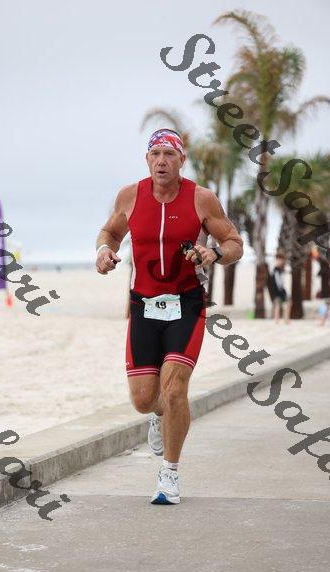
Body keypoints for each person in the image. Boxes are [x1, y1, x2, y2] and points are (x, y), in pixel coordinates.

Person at [95, 129, 243, 505]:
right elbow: (110, 232)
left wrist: (215, 254)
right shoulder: (130, 196)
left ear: (182, 160)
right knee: (144, 399)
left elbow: (234, 243)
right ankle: (159, 413)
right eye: (155, 154)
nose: (162, 161)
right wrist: (103, 251)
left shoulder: (201, 198)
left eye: (169, 154)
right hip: (143, 306)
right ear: (147, 160)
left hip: (186, 305)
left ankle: (169, 474)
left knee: (175, 388)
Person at [270, 254, 291, 324]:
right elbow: (277, 280)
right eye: (278, 260)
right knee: (277, 305)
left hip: (281, 289)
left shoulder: (281, 269)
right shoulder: (275, 269)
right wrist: (280, 288)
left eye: (281, 260)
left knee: (286, 304)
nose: (280, 261)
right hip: (278, 290)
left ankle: (286, 319)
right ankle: (277, 320)